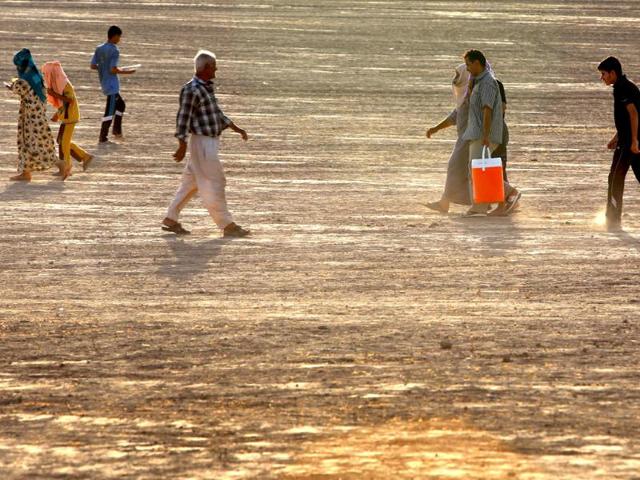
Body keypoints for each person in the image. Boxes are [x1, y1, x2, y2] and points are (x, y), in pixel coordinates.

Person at [162, 50, 250, 237]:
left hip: (208, 142)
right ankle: (227, 224)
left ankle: (171, 218)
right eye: (214, 67)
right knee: (215, 182)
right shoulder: (191, 89)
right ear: (206, 67)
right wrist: (182, 145)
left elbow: (216, 114)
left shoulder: (205, 88)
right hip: (202, 144)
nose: (216, 71)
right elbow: (183, 119)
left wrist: (236, 128)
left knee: (191, 183)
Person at [462, 50, 520, 216]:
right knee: (479, 169)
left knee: (478, 170)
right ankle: (482, 205)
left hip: (482, 134)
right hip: (478, 133)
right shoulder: (479, 82)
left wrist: (486, 135)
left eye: (468, 64)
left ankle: (510, 192)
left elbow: (487, 110)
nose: (467, 69)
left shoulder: (487, 82)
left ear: (477, 63)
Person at [598, 56, 640, 231]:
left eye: (604, 74)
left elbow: (634, 115)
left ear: (613, 73)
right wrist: (616, 137)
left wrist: (633, 141)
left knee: (615, 178)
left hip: (630, 142)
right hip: (627, 139)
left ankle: (613, 218)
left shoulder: (622, 89)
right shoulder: (623, 86)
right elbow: (626, 118)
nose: (602, 78)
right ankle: (612, 215)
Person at [424, 63, 472, 213]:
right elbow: (455, 116)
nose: (455, 78)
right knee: (470, 171)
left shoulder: (473, 94)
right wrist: (436, 128)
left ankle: (445, 203)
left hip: (470, 138)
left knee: (456, 167)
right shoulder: (465, 96)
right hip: (465, 138)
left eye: (458, 75)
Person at [6, 49, 58, 182]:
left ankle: (61, 164)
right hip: (38, 115)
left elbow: (16, 87)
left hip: (31, 119)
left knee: (36, 144)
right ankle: (26, 172)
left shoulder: (24, 80)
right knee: (31, 143)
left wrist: (10, 85)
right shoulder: (36, 76)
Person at [42, 61, 93, 179]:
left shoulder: (65, 84)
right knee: (61, 141)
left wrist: (53, 93)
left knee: (63, 142)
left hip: (70, 117)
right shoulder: (60, 84)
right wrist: (57, 114)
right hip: (66, 117)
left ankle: (67, 167)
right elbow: (62, 104)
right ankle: (85, 157)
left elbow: (69, 100)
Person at [90, 25, 135, 143]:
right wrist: (127, 71)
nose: (119, 39)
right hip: (112, 85)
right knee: (109, 111)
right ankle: (103, 137)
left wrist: (103, 67)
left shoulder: (99, 48)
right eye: (119, 37)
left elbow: (93, 65)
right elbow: (113, 69)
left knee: (121, 105)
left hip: (104, 82)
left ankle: (117, 130)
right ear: (114, 36)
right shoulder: (114, 50)